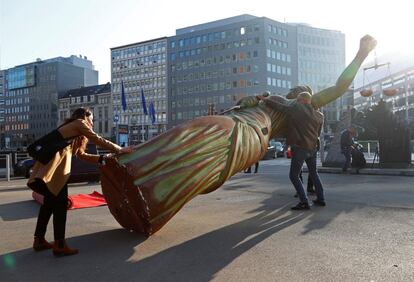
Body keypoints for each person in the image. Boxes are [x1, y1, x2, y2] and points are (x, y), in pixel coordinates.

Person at [99, 35, 377, 236]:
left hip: (252, 134)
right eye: (296, 90)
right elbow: (241, 105)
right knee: (190, 134)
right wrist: (248, 102)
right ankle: (139, 169)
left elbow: (340, 86)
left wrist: (361, 55)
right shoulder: (273, 99)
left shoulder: (301, 107)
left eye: (301, 91)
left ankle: (154, 197)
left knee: (203, 154)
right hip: (236, 119)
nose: (296, 92)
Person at [28, 107, 133, 257]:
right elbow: (97, 138)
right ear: (85, 116)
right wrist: (120, 150)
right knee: (59, 206)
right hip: (55, 173)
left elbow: (81, 155)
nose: (92, 122)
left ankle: (39, 240)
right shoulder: (79, 123)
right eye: (91, 119)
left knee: (49, 205)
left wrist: (101, 158)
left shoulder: (73, 132)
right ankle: (59, 244)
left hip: (49, 172)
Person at [258, 92, 325, 210]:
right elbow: (317, 134)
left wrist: (265, 100)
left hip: (300, 147)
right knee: (314, 174)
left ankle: (304, 201)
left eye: (298, 100)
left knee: (293, 175)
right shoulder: (320, 116)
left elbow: (281, 108)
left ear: (303, 101)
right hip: (312, 148)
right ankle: (321, 199)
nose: (296, 102)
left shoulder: (298, 108)